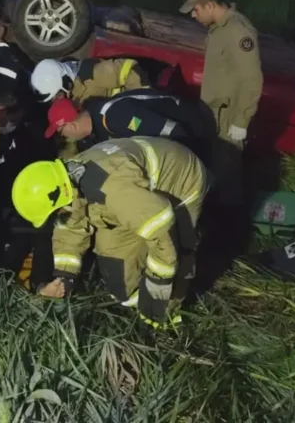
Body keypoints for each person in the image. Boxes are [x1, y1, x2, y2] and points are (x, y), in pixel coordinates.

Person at [11, 137, 210, 329]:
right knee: (121, 284)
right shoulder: (69, 181)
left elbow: (163, 236)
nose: (57, 218)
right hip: (131, 200)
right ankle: (144, 306)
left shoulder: (111, 189)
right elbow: (71, 228)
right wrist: (64, 277)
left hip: (179, 181)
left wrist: (157, 288)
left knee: (177, 250)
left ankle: (167, 319)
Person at [180, 0, 263, 206]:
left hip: (228, 118)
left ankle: (230, 220)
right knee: (215, 170)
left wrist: (241, 121)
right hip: (213, 114)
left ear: (209, 5)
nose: (193, 15)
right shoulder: (218, 28)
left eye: (195, 9)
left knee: (227, 176)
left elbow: (252, 79)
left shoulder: (238, 31)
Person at [42, 88, 216, 160]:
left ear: (71, 126)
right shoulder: (95, 130)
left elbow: (174, 131)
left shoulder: (115, 117)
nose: (65, 138)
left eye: (61, 132)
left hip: (197, 129)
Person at [30, 56, 149, 105]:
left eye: (57, 96)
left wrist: (142, 101)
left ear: (66, 83)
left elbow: (130, 69)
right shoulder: (73, 95)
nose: (56, 103)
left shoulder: (92, 74)